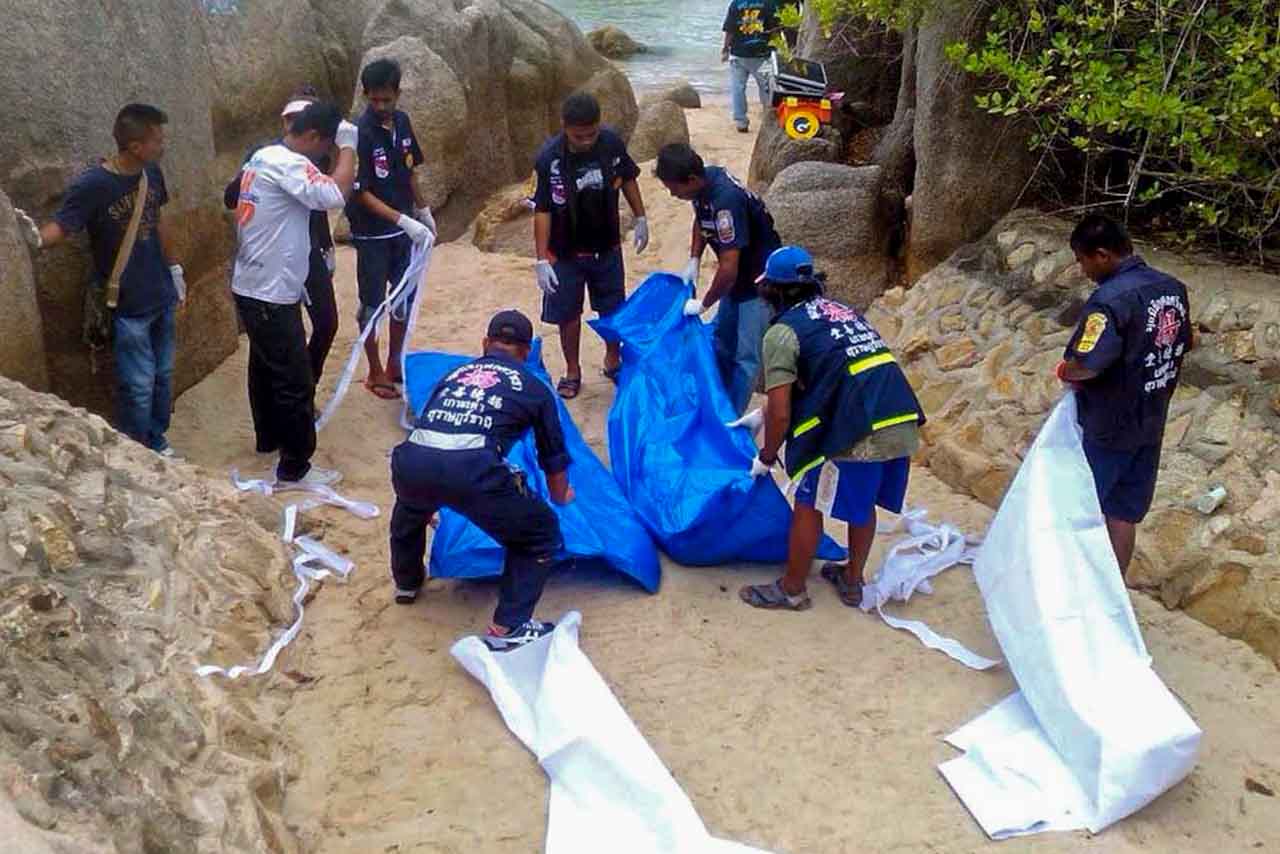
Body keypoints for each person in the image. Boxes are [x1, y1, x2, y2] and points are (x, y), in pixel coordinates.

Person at [734, 246, 925, 611]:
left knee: (808, 501)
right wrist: (764, 410)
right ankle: (852, 581)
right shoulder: (842, 311)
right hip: (898, 418)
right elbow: (835, 371)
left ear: (773, 291)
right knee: (863, 502)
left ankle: (791, 590)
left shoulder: (782, 333)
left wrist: (767, 454)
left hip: (857, 429)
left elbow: (781, 414)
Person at [389, 309, 575, 651]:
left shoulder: (455, 374)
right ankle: (510, 626)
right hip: (472, 471)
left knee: (411, 506)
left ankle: (406, 581)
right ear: (526, 351)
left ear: (486, 344)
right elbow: (553, 461)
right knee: (539, 534)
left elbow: (430, 422)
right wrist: (561, 497)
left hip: (412, 462)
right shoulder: (534, 388)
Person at [14, 104, 186, 457]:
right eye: (157, 139)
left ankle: (156, 440)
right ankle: (138, 450)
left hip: (161, 294)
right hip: (128, 303)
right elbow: (64, 224)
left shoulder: (152, 173)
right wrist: (33, 239)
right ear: (136, 146)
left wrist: (176, 270)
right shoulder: (94, 184)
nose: (163, 145)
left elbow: (160, 220)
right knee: (137, 385)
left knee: (163, 376)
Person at [230, 102, 359, 486]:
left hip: (253, 283)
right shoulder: (288, 163)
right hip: (271, 291)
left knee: (264, 366)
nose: (324, 158)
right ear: (315, 137)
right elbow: (336, 193)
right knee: (294, 379)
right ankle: (295, 468)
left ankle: (267, 439)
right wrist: (349, 147)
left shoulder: (261, 156)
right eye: (325, 150)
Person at [1057, 214, 1193, 577]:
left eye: (1082, 260)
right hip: (1150, 421)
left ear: (1101, 255)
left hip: (1108, 425)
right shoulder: (1172, 289)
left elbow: (1087, 364)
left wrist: (1064, 370)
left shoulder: (1110, 301)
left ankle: (1074, 589)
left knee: (1081, 507)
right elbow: (1181, 344)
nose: (1082, 270)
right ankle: (1112, 589)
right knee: (1123, 513)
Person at [533, 92, 648, 400]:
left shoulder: (610, 143)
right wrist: (541, 258)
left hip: (607, 246)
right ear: (564, 127)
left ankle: (613, 359)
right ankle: (572, 370)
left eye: (591, 134)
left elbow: (628, 178)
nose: (586, 141)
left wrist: (641, 216)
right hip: (565, 251)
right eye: (578, 135)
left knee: (612, 307)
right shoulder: (549, 159)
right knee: (567, 314)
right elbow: (542, 208)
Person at [224, 86, 339, 386]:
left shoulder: (317, 155)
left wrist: (327, 247)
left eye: (301, 118)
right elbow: (232, 198)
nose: (294, 125)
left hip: (310, 251)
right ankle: (296, 387)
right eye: (290, 119)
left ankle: (306, 381)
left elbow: (319, 209)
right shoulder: (267, 157)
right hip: (273, 262)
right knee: (278, 334)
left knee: (326, 323)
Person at [655, 142, 781, 415]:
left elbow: (729, 268)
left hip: (757, 285)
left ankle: (731, 418)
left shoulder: (726, 202)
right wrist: (694, 259)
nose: (672, 193)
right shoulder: (704, 183)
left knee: (746, 358)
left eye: (674, 188)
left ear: (690, 179)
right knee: (722, 343)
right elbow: (701, 220)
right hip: (735, 284)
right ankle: (717, 398)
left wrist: (704, 304)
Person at [346, 59, 436, 401]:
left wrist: (423, 210)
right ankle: (374, 369)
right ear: (366, 97)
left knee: (403, 299)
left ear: (398, 94)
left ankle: (395, 361)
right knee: (371, 305)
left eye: (387, 99)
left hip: (403, 232)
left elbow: (411, 170)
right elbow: (361, 191)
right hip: (372, 234)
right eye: (374, 101)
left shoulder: (402, 122)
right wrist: (402, 220)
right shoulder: (359, 134)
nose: (381, 107)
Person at [722, 0, 780, 133]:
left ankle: (741, 122)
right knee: (766, 88)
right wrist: (778, 49)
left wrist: (725, 48)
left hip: (738, 54)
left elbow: (729, 29)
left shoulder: (736, 3)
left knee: (738, 88)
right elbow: (775, 29)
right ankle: (768, 118)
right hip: (762, 54)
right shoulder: (768, 3)